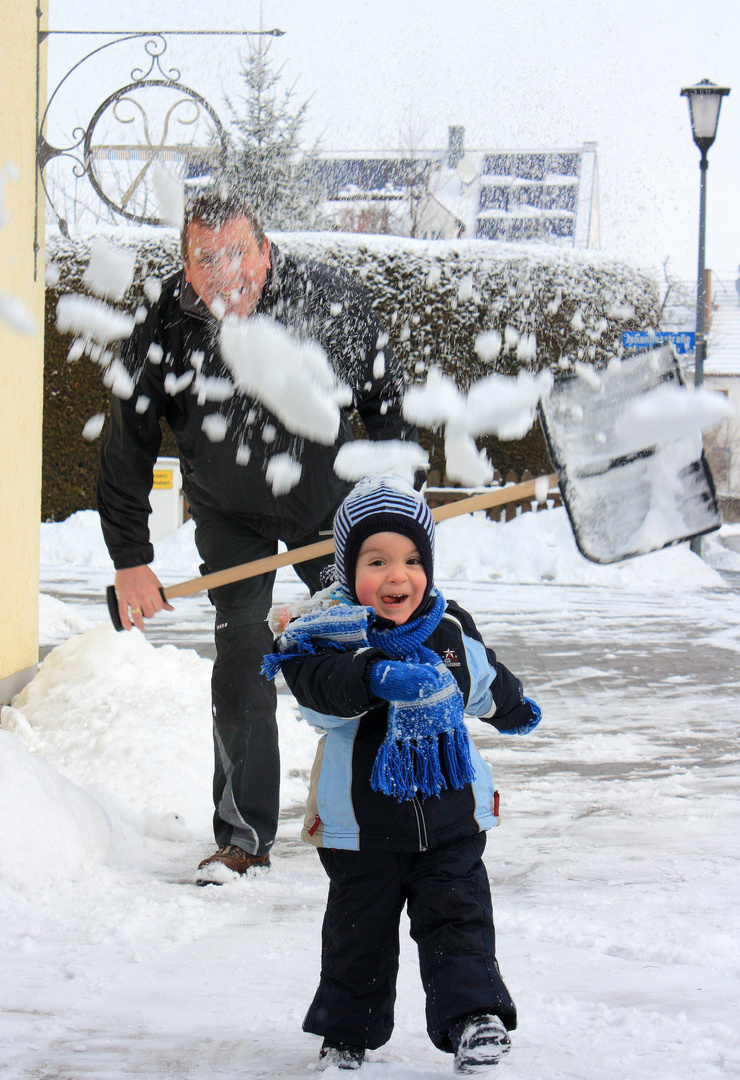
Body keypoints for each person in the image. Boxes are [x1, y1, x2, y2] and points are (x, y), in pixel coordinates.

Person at [96, 183, 418, 884]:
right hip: (229, 511)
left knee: (361, 644)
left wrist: (397, 519)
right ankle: (243, 836)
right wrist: (131, 560)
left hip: (329, 509)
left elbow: (389, 412)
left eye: (237, 252)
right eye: (205, 259)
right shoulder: (166, 324)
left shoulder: (331, 301)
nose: (224, 273)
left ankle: (382, 810)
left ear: (265, 253)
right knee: (243, 646)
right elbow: (126, 446)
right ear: (187, 268)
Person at [264, 474, 541, 1072]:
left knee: (459, 919)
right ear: (346, 569)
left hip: (449, 818)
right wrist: (373, 676)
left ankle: (474, 1019)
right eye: (377, 560)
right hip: (362, 828)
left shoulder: (448, 628)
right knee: (357, 937)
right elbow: (317, 693)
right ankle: (346, 1034)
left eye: (413, 559)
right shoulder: (331, 636)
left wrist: (513, 706)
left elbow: (481, 678)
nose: (398, 576)